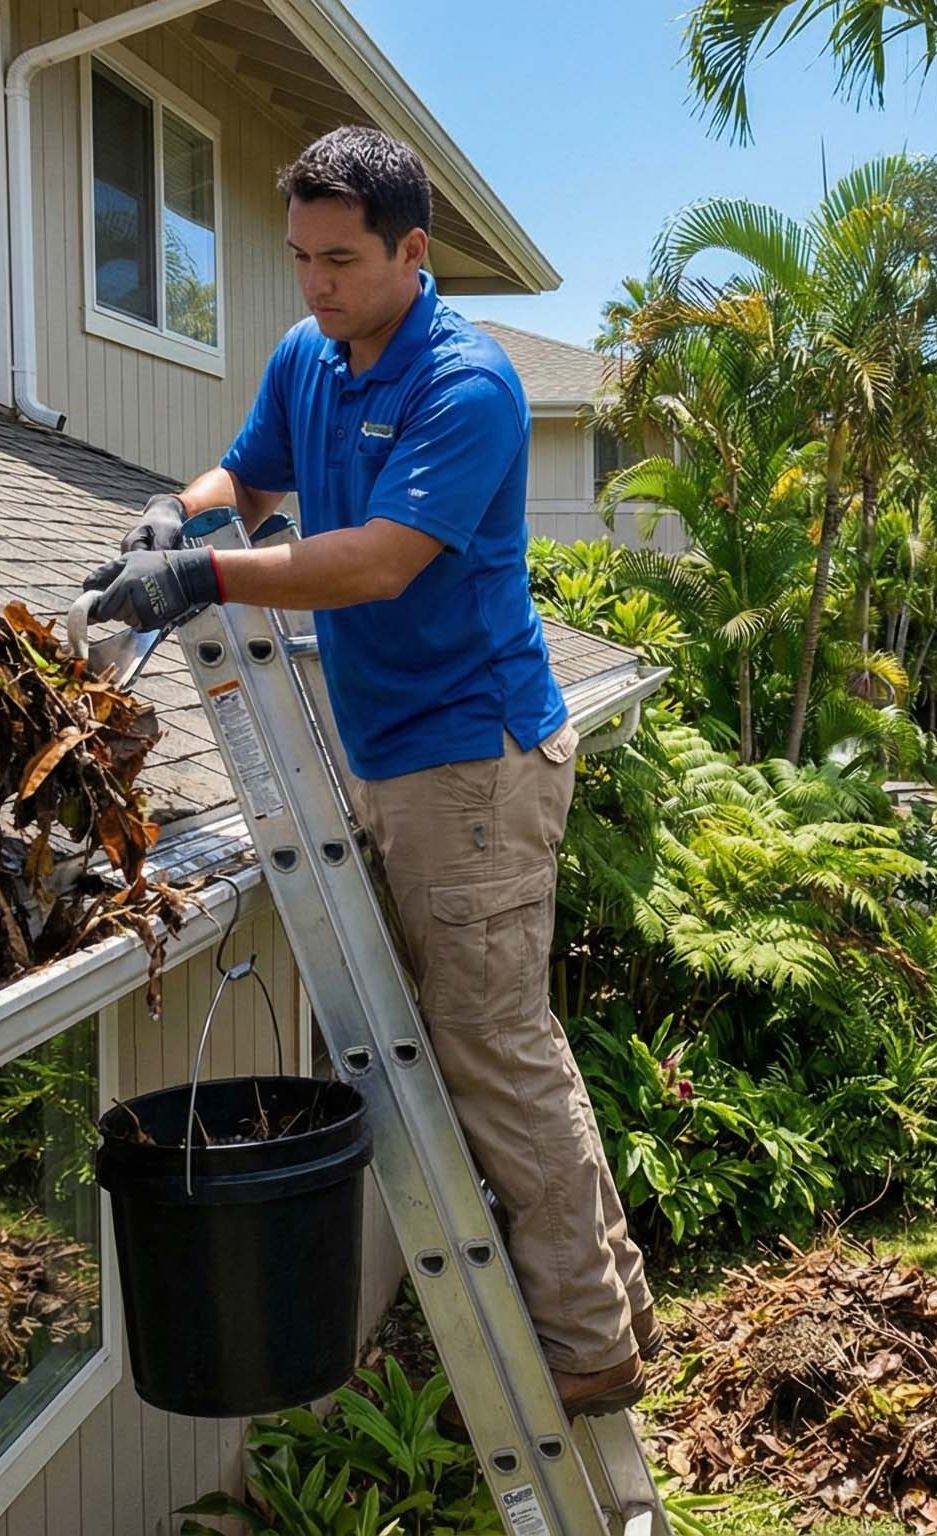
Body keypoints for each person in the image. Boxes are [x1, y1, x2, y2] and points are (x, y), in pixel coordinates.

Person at [81, 126, 653, 1417]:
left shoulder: (468, 384)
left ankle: (585, 1345)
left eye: (340, 259)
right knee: (494, 1043)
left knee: (492, 1050)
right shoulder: (312, 355)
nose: (315, 282)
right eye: (300, 257)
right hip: (387, 747)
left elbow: (382, 560)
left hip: (471, 757)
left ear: (412, 251)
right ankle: (607, 1306)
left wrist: (199, 575)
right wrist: (184, 508)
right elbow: (253, 471)